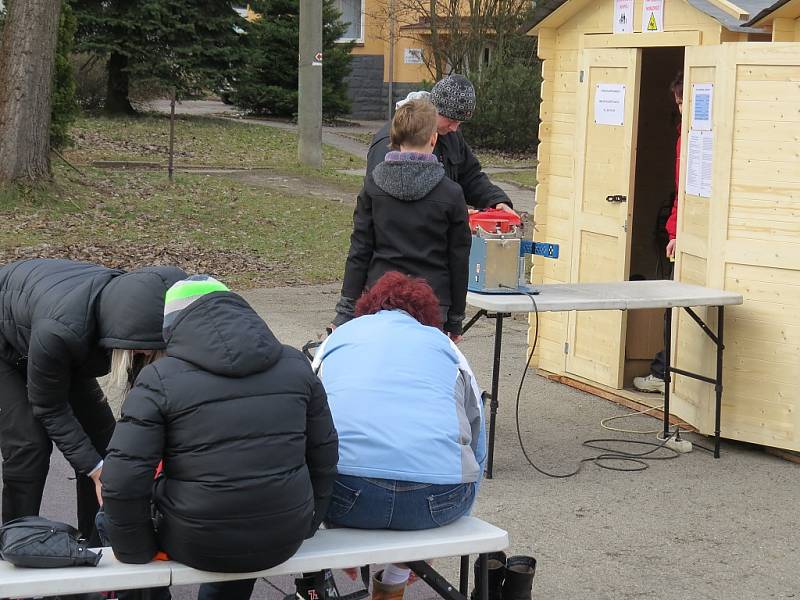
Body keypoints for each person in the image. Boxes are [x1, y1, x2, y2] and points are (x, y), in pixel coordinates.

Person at [100, 275, 339, 600]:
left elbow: (122, 481)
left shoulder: (159, 379)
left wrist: (136, 551)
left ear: (172, 328)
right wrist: (310, 522)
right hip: (285, 533)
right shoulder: (296, 365)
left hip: (194, 539)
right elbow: (324, 454)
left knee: (108, 519)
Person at [314, 272, 486, 600]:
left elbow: (308, 426)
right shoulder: (446, 347)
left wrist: (330, 524)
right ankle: (394, 579)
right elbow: (478, 444)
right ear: (426, 318)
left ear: (367, 309)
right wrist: (457, 516)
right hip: (437, 498)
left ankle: (352, 578)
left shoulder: (339, 338)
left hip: (349, 495)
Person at [0, 258, 186, 544]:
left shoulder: (134, 310)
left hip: (55, 336)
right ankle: (16, 544)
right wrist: (97, 471)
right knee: (29, 444)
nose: (147, 358)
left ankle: (95, 544)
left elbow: (142, 401)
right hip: (9, 343)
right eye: (148, 353)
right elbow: (49, 406)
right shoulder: (62, 331)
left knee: (106, 443)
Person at [333, 99, 472, 340]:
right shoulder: (451, 193)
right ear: (433, 138)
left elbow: (360, 250)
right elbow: (458, 259)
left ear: (396, 138)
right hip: (431, 303)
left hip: (380, 296)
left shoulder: (373, 186)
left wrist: (345, 311)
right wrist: (455, 319)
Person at [367, 74, 514, 214]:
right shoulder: (393, 138)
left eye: (460, 122)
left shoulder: (450, 135)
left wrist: (496, 200)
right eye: (451, 120)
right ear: (433, 110)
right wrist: (449, 213)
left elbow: (470, 177)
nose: (455, 128)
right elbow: (381, 200)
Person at [634, 71, 683, 394]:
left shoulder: (696, 136)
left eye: (683, 101)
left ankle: (665, 372)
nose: (680, 108)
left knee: (677, 306)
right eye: (677, 102)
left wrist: (676, 230)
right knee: (673, 305)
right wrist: (674, 229)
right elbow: (683, 191)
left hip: (691, 236)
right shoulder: (686, 135)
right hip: (681, 232)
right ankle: (665, 369)